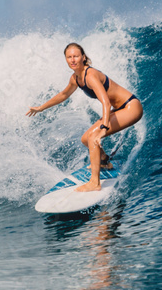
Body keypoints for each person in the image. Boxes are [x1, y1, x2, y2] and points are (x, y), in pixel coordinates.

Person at [26, 43, 143, 192]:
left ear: (83, 57)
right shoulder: (75, 78)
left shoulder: (91, 75)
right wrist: (41, 107)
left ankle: (95, 182)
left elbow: (106, 103)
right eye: (69, 57)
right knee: (85, 139)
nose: (73, 60)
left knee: (94, 136)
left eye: (76, 56)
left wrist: (104, 128)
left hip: (130, 107)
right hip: (119, 108)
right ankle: (105, 161)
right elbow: (63, 95)